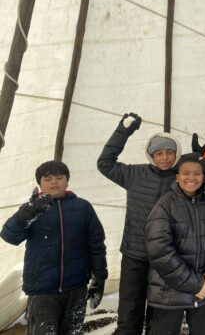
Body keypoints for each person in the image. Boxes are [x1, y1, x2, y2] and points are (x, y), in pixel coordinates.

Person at [97, 112, 181, 334]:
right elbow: (105, 163)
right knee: (129, 313)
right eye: (159, 153)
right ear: (150, 154)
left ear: (177, 154)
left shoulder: (183, 177)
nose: (164, 158)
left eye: (169, 153)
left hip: (166, 258)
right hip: (135, 255)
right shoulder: (134, 174)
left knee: (159, 314)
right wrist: (123, 132)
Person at [1, 161, 107, 335]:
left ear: (67, 181)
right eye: (48, 179)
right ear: (40, 183)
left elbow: (96, 244)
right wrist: (29, 212)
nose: (54, 182)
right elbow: (9, 236)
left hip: (76, 287)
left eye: (59, 177)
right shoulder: (32, 209)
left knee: (73, 332)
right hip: (42, 289)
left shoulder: (83, 207)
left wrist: (100, 274)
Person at [145, 153, 205, 335]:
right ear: (178, 177)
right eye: (186, 173)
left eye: (197, 173)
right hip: (170, 292)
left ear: (203, 177)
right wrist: (194, 284)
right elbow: (160, 252)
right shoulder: (164, 205)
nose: (192, 178)